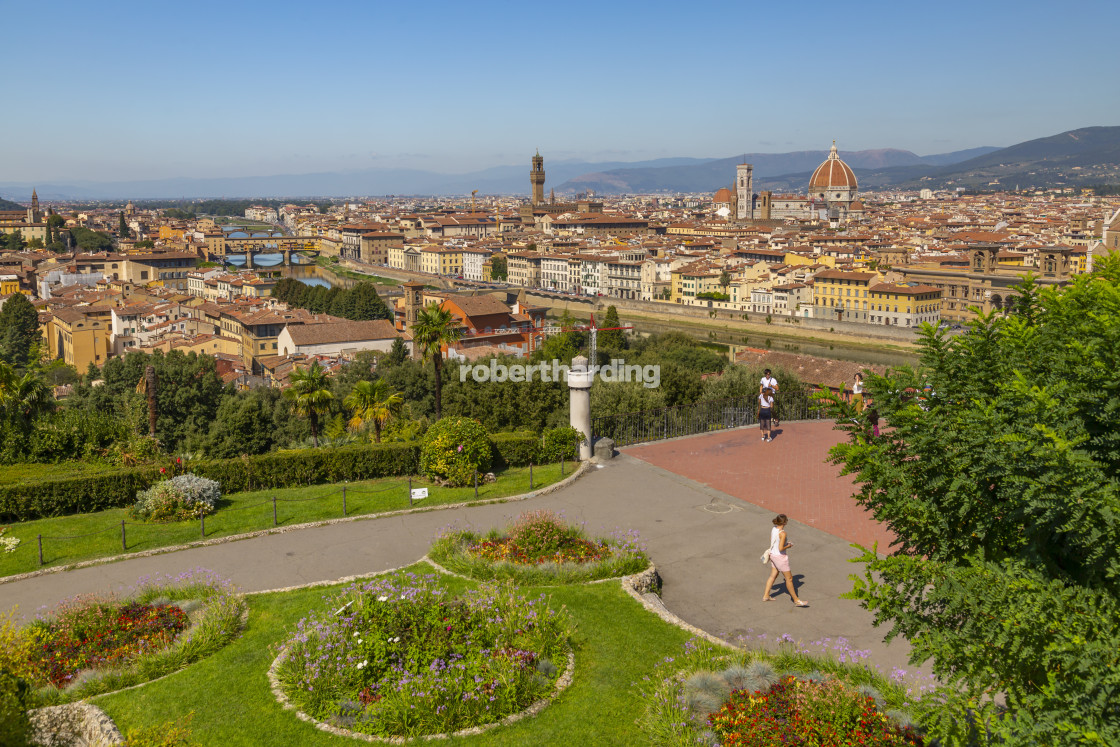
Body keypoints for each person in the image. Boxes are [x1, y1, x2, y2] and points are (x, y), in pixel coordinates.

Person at [763, 514, 808, 606]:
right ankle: (796, 600)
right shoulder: (783, 533)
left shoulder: (774, 528)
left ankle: (766, 595)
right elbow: (780, 548)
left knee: (773, 576)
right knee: (789, 579)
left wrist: (784, 543)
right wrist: (789, 545)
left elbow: (773, 541)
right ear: (784, 522)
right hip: (780, 558)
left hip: (773, 555)